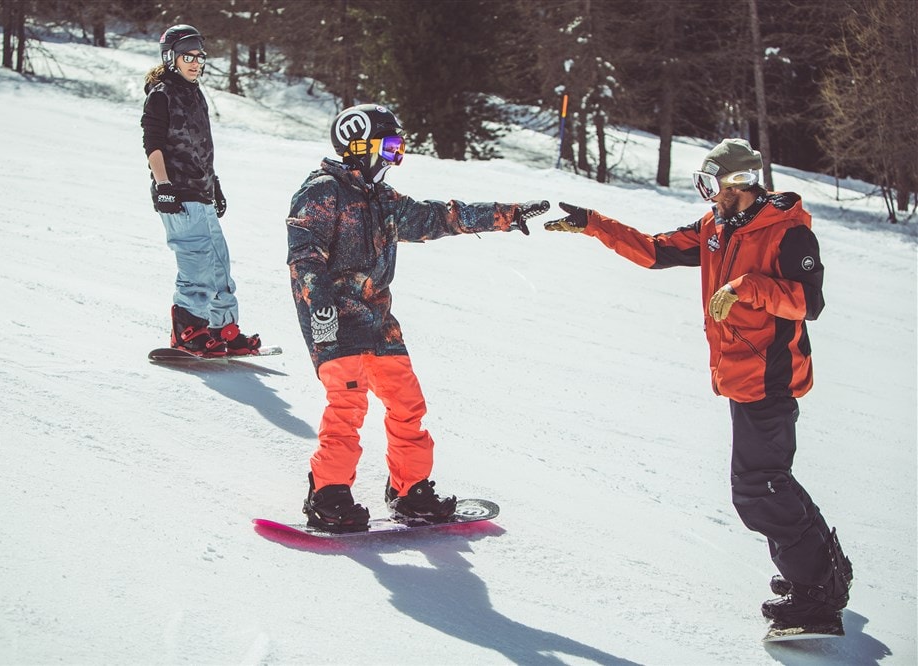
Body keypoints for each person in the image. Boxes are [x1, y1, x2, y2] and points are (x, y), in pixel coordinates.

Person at [543, 138, 852, 630]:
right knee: (767, 481)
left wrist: (746, 286)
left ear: (737, 184)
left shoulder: (787, 234)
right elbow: (654, 251)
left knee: (759, 488)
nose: (707, 194)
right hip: (739, 376)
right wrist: (593, 224)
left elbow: (807, 302)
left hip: (770, 378)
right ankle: (819, 573)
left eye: (712, 184)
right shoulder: (715, 227)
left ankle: (818, 592)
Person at [286, 103, 548, 533]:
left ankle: (411, 492)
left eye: (398, 148)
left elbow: (440, 216)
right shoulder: (322, 192)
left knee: (408, 404)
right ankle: (328, 494)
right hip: (333, 320)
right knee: (347, 405)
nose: (395, 157)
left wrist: (507, 214)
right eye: (389, 147)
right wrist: (321, 307)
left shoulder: (383, 200)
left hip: (378, 320)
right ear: (359, 145)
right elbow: (304, 255)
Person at [141, 24, 260, 357]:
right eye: (187, 57)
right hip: (177, 194)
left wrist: (214, 182)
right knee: (197, 263)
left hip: (201, 191)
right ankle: (187, 329)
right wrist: (164, 185)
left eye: (199, 57)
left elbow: (198, 146)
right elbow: (153, 145)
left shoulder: (194, 93)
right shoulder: (161, 93)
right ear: (171, 58)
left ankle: (223, 328)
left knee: (219, 264)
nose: (195, 63)